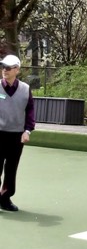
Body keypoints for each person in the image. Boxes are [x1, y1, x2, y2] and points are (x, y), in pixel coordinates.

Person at [0, 54, 35, 211]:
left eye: (8, 68)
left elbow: (30, 112)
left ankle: (5, 198)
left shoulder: (25, 90)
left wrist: (27, 130)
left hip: (16, 135)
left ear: (17, 70)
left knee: (11, 168)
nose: (4, 70)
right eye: (3, 67)